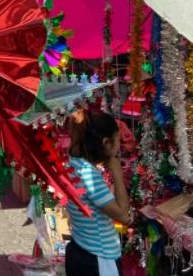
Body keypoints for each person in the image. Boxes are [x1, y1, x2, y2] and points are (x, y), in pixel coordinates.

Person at [65, 110, 130, 276]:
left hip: (82, 248)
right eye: (117, 141)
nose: (119, 146)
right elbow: (123, 216)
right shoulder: (88, 175)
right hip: (98, 258)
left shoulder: (74, 163)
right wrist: (117, 173)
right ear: (106, 143)